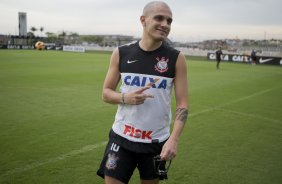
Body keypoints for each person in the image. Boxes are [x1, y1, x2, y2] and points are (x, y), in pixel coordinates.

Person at [97, 1, 189, 184]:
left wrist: (174, 139)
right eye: (159, 18)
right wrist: (125, 98)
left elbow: (183, 104)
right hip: (121, 138)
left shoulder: (176, 58)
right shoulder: (121, 53)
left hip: (156, 143)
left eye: (169, 21)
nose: (165, 24)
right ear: (143, 20)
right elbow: (106, 93)